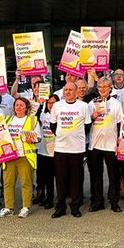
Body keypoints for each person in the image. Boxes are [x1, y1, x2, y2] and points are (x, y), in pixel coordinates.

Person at [47, 80, 91, 218]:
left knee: (76, 179)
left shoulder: (83, 106)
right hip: (60, 148)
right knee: (60, 179)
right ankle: (60, 207)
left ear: (77, 91)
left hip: (76, 149)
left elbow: (87, 126)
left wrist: (75, 136)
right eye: (66, 90)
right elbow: (53, 126)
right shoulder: (57, 106)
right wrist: (63, 135)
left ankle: (75, 206)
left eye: (71, 90)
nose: (67, 92)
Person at [88, 78, 123, 212]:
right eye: (100, 87)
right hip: (95, 144)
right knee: (96, 174)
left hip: (111, 144)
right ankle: (98, 201)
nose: (102, 89)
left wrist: (120, 142)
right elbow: (86, 122)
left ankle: (114, 201)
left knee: (113, 175)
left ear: (110, 88)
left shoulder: (116, 104)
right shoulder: (92, 103)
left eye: (105, 87)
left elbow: (120, 123)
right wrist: (93, 116)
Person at [0, 97, 38, 217]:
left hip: (24, 156)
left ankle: (26, 207)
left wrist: (32, 139)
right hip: (9, 156)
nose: (19, 107)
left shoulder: (32, 120)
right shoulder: (7, 120)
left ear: (26, 107)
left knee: (26, 183)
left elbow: (39, 138)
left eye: (22, 105)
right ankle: (8, 207)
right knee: (8, 183)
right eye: (17, 105)